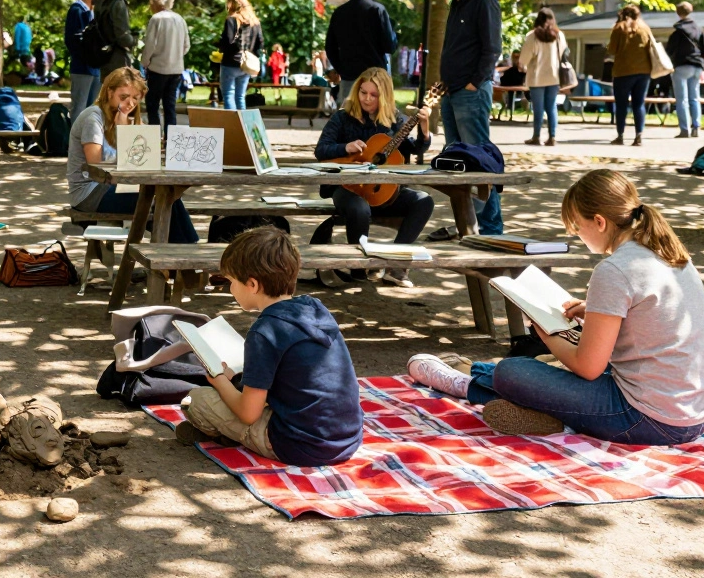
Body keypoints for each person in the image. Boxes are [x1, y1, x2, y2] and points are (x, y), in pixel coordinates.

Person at [405, 169, 704, 444]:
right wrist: (593, 310)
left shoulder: (615, 270)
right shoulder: (671, 253)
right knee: (545, 367)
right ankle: (515, 395)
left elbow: (588, 368)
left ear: (599, 221)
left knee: (513, 372)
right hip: (694, 415)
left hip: (645, 417)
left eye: (577, 228)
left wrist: (546, 332)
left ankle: (471, 383)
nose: (576, 236)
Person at [176, 227, 363, 467]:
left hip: (299, 446)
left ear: (252, 284)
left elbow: (248, 414)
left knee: (197, 400)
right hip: (346, 440)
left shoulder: (265, 331)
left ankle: (227, 435)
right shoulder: (316, 308)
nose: (230, 289)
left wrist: (220, 381)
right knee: (240, 390)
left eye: (231, 282)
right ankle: (229, 433)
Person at [311, 67, 433, 287]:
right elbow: (321, 150)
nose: (367, 99)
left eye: (373, 95)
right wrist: (345, 147)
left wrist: (424, 128)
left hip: (384, 191)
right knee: (359, 208)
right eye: (363, 92)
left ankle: (396, 266)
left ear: (384, 96)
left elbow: (416, 149)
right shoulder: (342, 117)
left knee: (423, 200)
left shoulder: (396, 120)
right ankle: (359, 267)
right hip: (347, 188)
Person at [66, 67, 198, 243]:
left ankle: (186, 255)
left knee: (169, 199)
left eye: (135, 98)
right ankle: (180, 259)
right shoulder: (93, 118)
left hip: (113, 187)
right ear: (109, 92)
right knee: (161, 201)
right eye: (124, 97)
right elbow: (95, 165)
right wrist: (123, 132)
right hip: (89, 193)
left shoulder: (123, 116)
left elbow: (141, 156)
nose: (129, 103)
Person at [434, 0, 503, 235]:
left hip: (470, 93)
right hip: (452, 91)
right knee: (457, 162)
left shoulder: (484, 0)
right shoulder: (456, 4)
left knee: (478, 163)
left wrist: (474, 83)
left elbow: (492, 47)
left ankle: (490, 227)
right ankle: (468, 225)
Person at [324, 0, 397, 102]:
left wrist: (342, 69)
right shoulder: (377, 10)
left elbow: (330, 47)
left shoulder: (340, 12)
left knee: (349, 119)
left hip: (349, 77)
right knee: (376, 120)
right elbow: (389, 46)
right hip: (375, 78)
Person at [139, 0, 190, 135]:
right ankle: (171, 140)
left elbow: (149, 46)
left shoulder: (156, 19)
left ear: (155, 3)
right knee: (170, 105)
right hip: (176, 70)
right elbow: (186, 45)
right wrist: (176, 56)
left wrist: (145, 63)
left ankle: (154, 138)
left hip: (158, 69)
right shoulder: (180, 19)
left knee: (152, 105)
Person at [519, 7, 569, 147]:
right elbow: (562, 53)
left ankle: (536, 136)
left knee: (538, 107)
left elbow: (525, 58)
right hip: (554, 75)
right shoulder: (559, 35)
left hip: (537, 76)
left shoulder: (532, 35)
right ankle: (552, 137)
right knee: (551, 106)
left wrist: (523, 64)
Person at [607, 5, 655, 147]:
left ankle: (620, 136)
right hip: (644, 72)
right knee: (639, 103)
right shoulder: (645, 27)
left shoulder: (619, 28)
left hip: (623, 71)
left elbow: (612, 49)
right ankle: (638, 135)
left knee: (621, 104)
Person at [667, 1, 704, 138]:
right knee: (694, 98)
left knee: (682, 99)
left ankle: (684, 130)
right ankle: (696, 126)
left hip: (682, 66)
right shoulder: (700, 29)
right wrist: (702, 67)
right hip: (697, 66)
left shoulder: (678, 32)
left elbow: (670, 50)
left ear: (678, 13)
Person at [216, 0, 263, 111]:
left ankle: (232, 125)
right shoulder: (254, 21)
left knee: (228, 95)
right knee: (240, 96)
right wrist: (252, 54)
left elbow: (229, 41)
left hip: (230, 62)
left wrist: (220, 46)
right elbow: (260, 42)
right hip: (247, 64)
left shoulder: (232, 20)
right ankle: (243, 125)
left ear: (232, 4)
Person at [65, 0, 104, 121]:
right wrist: (87, 56)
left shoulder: (95, 11)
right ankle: (74, 143)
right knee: (79, 109)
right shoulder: (77, 10)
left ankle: (88, 142)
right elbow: (72, 40)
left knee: (92, 110)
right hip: (82, 68)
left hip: (95, 68)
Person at [96, 0, 138, 77]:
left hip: (103, 57)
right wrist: (134, 40)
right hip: (117, 59)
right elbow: (122, 36)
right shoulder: (118, 2)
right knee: (119, 93)